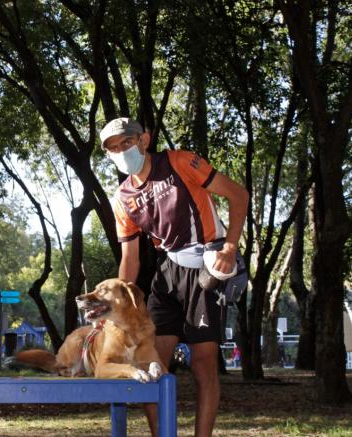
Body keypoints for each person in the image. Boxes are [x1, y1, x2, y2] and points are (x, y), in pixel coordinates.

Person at [99, 118, 249, 437]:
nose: (121, 151)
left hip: (205, 266)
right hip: (167, 273)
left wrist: (231, 247)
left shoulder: (180, 161)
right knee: (149, 365)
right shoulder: (122, 199)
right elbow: (130, 259)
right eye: (113, 148)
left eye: (127, 142)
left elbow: (238, 195)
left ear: (145, 140)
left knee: (202, 364)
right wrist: (117, 308)